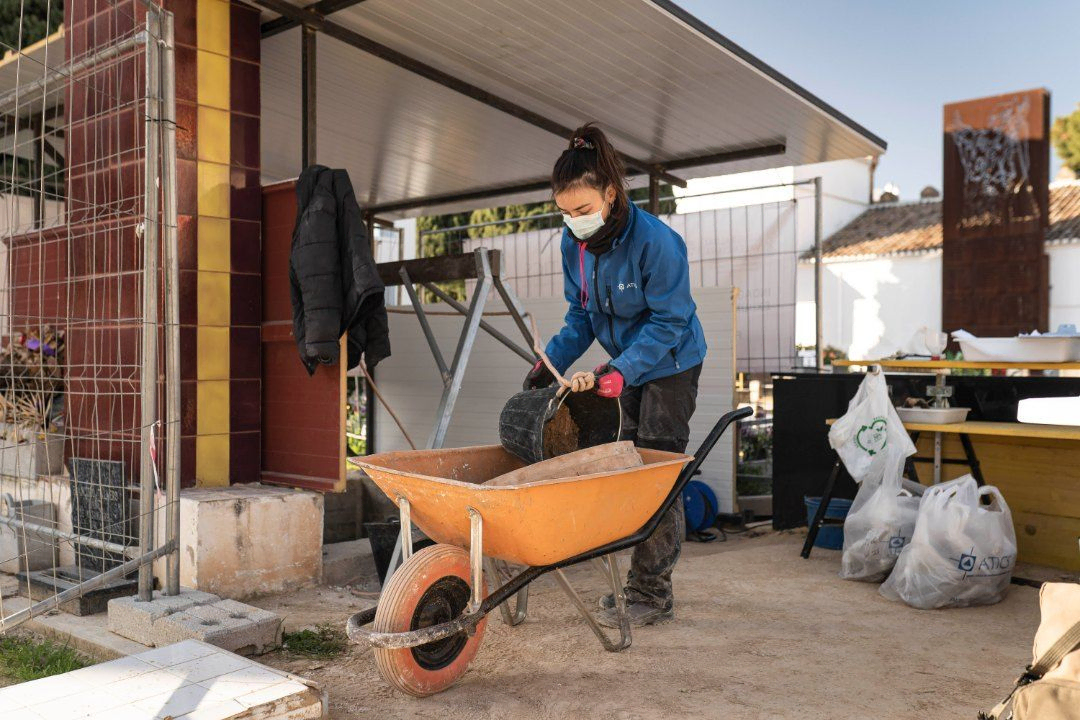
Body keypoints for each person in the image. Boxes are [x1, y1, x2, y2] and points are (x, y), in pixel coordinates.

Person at [523, 123, 707, 627]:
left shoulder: (657, 243)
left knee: (655, 467)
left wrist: (620, 371)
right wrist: (551, 364)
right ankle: (630, 579)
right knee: (621, 463)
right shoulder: (573, 245)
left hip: (671, 361)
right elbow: (580, 316)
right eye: (564, 212)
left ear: (609, 193)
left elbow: (670, 320)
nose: (574, 222)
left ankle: (651, 591)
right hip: (623, 365)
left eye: (582, 211)